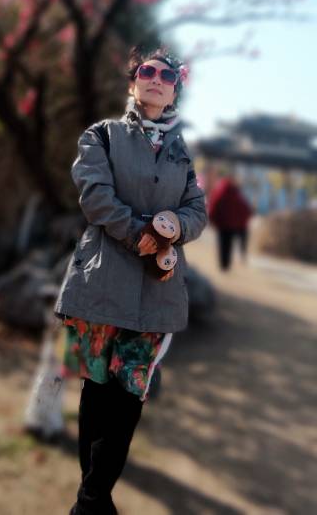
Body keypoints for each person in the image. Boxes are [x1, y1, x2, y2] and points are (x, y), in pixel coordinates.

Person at [55, 47, 207, 515]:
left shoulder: (182, 152)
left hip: (157, 290)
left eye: (167, 75)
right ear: (133, 82)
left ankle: (90, 502)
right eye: (147, 71)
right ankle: (95, 503)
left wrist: (173, 227)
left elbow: (197, 211)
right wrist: (139, 233)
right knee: (96, 392)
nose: (156, 79)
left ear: (175, 90)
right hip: (99, 280)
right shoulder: (101, 135)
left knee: (130, 396)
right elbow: (95, 197)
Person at [207, 174, 253, 271]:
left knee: (222, 244)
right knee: (229, 245)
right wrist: (242, 221)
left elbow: (214, 205)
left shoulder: (220, 192)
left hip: (222, 225)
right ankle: (226, 264)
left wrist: (212, 218)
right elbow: (244, 208)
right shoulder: (236, 193)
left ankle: (223, 264)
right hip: (232, 225)